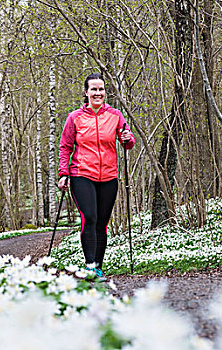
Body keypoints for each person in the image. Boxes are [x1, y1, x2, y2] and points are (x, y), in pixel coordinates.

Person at [58, 73, 135, 280]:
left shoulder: (116, 116)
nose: (98, 93)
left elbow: (127, 142)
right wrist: (63, 173)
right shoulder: (75, 118)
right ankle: (90, 265)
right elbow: (65, 147)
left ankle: (98, 266)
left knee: (102, 223)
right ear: (86, 92)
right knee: (89, 218)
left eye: (101, 89)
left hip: (109, 176)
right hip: (82, 174)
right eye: (94, 89)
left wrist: (128, 138)